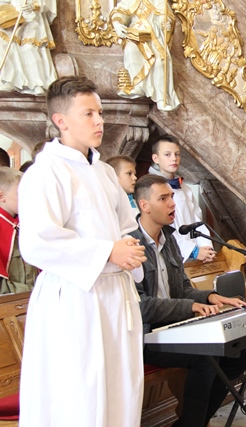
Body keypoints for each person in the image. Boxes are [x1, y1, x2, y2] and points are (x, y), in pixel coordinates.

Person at [17, 76, 147, 426]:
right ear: (61, 120)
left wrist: (129, 250)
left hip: (115, 297)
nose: (99, 121)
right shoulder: (46, 172)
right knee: (81, 397)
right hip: (76, 299)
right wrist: (107, 252)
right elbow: (37, 242)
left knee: (121, 391)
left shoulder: (104, 172)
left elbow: (126, 227)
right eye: (88, 114)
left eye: (100, 112)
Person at [132, 173, 246, 427]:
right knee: (204, 358)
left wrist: (212, 296)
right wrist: (192, 306)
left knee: (239, 354)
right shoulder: (132, 245)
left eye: (171, 197)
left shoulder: (169, 239)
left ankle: (189, 423)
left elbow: (184, 290)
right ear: (144, 205)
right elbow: (141, 306)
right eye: (163, 198)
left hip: (174, 327)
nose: (172, 203)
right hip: (145, 335)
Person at [147, 134, 216, 262]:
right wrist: (193, 251)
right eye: (167, 155)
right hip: (172, 257)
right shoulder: (151, 189)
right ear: (156, 158)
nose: (174, 158)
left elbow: (197, 221)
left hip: (194, 258)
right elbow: (163, 228)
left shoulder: (185, 188)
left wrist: (205, 246)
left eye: (177, 154)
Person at [111, 0, 180, 111]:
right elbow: (120, 12)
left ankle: (162, 98)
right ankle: (138, 85)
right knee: (131, 51)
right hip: (135, 35)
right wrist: (117, 24)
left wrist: (165, 23)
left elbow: (165, 16)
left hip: (154, 36)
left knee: (160, 63)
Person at [0, 0, 57, 95]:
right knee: (4, 43)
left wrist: (35, 5)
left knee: (30, 47)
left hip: (33, 17)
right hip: (11, 16)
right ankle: (8, 79)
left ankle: (38, 83)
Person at [0, 166, 38, 294]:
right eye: (21, 193)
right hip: (13, 300)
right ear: (1, 196)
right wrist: (34, 292)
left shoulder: (26, 223)